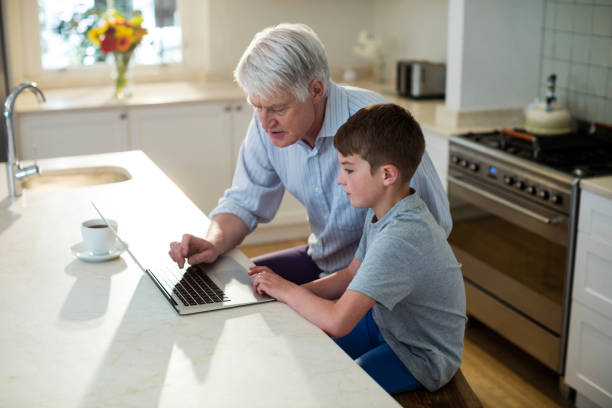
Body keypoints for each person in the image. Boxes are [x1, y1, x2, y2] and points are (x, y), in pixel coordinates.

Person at [169, 23, 451, 285]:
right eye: (257, 106)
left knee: (274, 315)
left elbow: (432, 226)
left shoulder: (375, 125)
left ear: (316, 90)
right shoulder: (267, 124)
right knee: (226, 286)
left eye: (278, 108)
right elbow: (244, 203)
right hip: (322, 260)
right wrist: (213, 242)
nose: (265, 122)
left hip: (380, 284)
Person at [248, 103, 466, 393]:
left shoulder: (402, 237)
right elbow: (350, 274)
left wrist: (288, 291)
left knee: (344, 385)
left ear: (387, 175)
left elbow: (338, 322)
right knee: (301, 349)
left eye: (349, 169)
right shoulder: (383, 212)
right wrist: (283, 292)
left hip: (420, 354)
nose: (340, 179)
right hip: (384, 325)